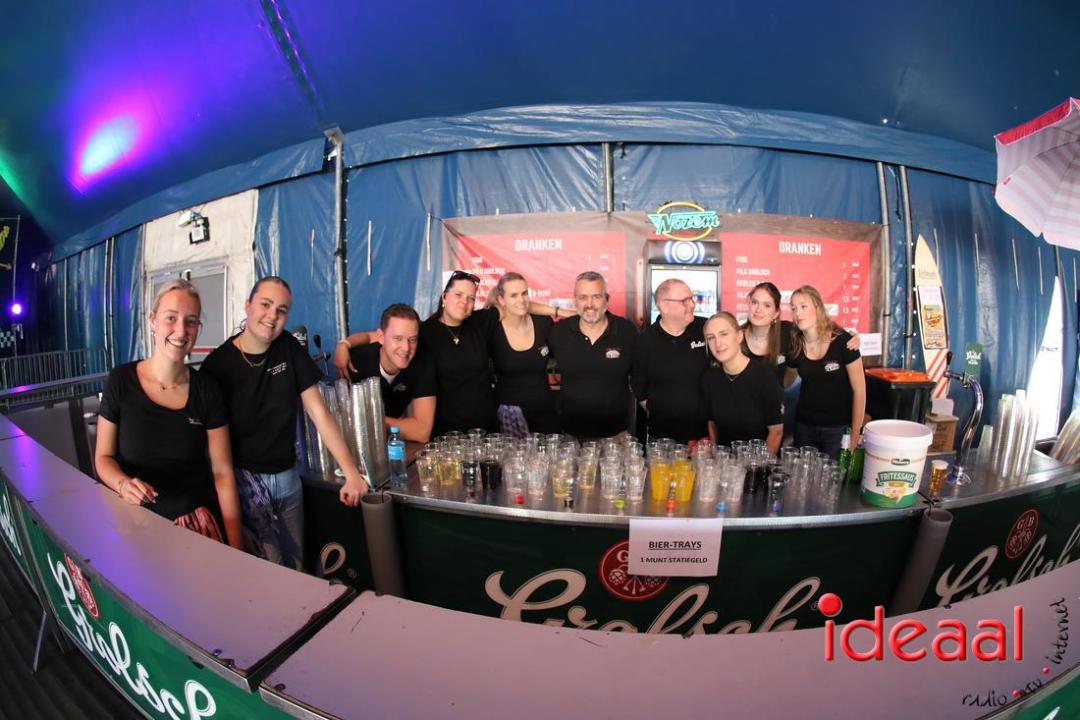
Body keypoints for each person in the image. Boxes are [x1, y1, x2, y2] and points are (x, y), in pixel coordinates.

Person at [201, 276, 367, 570]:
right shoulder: (217, 365)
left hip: (288, 477)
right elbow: (211, 450)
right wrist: (233, 522)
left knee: (298, 564)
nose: (272, 316)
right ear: (248, 306)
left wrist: (352, 473)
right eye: (265, 305)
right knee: (269, 570)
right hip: (246, 485)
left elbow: (319, 412)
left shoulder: (287, 346)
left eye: (281, 310)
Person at [95, 279, 242, 548]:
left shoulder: (207, 390)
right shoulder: (121, 380)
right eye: (171, 318)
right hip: (134, 527)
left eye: (191, 321)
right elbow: (103, 457)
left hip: (194, 528)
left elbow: (222, 473)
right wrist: (123, 484)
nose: (181, 330)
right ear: (152, 320)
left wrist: (237, 549)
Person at [335, 270, 562, 436]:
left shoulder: (481, 321)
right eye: (458, 295)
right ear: (444, 297)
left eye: (471, 298)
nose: (464, 302)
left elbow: (519, 305)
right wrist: (344, 345)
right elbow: (376, 336)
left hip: (487, 431)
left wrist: (559, 311)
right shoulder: (425, 332)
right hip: (447, 435)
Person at [548, 271, 638, 438]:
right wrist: (558, 311)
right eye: (583, 297)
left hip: (616, 436)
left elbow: (643, 376)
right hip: (570, 436)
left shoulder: (627, 331)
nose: (589, 304)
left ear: (607, 299)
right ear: (575, 300)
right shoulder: (559, 332)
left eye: (596, 297)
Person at [787, 285, 866, 456]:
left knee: (833, 473)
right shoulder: (794, 343)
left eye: (803, 306)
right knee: (803, 473)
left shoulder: (844, 341)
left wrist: (855, 434)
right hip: (804, 426)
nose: (798, 313)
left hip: (837, 429)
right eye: (793, 308)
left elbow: (860, 391)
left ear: (818, 307)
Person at [632, 278, 709, 444]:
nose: (692, 304)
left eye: (692, 298)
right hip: (661, 439)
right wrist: (660, 411)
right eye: (684, 301)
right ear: (663, 305)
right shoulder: (645, 341)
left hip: (704, 438)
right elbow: (639, 386)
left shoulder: (706, 329)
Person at [485, 272, 563, 434]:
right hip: (507, 417)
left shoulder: (543, 322)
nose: (521, 300)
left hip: (545, 413)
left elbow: (565, 353)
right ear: (501, 300)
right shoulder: (492, 329)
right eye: (513, 295)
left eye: (524, 293)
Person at [346, 303, 436, 443]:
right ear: (381, 337)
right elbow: (345, 420)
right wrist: (343, 344)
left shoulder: (423, 363)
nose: (406, 348)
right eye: (398, 338)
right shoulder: (355, 362)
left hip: (392, 442)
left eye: (412, 340)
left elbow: (422, 432)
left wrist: (369, 419)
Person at [742, 281, 859, 385]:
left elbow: (819, 329)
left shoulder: (788, 331)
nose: (758, 310)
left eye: (767, 305)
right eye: (754, 302)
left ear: (776, 313)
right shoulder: (736, 337)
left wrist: (849, 336)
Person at [700, 312, 784, 453]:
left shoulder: (766, 378)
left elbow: (776, 432)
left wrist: (760, 464)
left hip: (757, 462)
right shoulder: (709, 379)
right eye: (711, 338)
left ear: (739, 336)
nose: (718, 343)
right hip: (725, 462)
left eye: (724, 334)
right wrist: (715, 456)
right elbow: (712, 424)